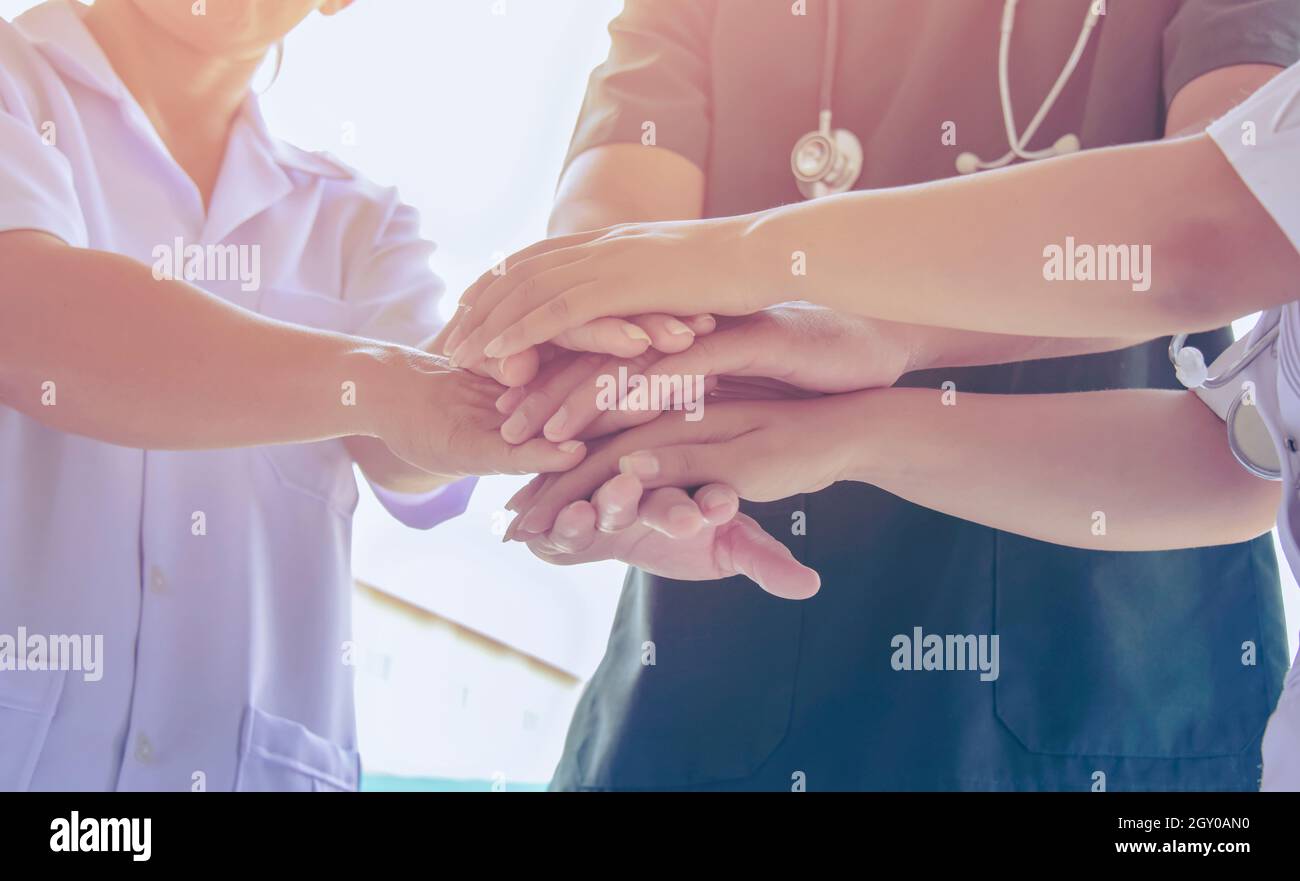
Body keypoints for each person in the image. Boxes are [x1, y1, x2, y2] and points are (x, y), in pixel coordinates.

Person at [445, 0, 1300, 791]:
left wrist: (772, 278)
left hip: (1114, 650)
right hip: (722, 629)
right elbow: (612, 268)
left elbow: (1212, 229)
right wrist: (604, 415)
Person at [0, 0, 611, 792]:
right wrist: (381, 384)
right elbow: (32, 316)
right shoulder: (15, 86)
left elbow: (413, 453)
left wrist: (524, 368)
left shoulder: (365, 226)